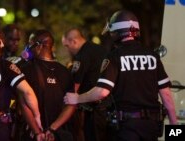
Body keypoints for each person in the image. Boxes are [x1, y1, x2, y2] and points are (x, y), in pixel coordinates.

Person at [64, 10, 177, 141]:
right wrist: (175, 130)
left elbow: (101, 92)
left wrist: (77, 98)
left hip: (125, 129)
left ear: (115, 32)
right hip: (150, 128)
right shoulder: (152, 56)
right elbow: (166, 96)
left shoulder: (114, 57)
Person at [17, 29, 76, 141]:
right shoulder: (65, 71)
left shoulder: (25, 69)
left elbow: (23, 104)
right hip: (58, 133)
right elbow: (71, 104)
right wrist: (53, 129)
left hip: (33, 133)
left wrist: (37, 132)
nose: (28, 47)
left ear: (38, 46)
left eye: (30, 44)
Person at [62, 28, 108, 141]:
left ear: (74, 41)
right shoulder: (101, 50)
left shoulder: (82, 56)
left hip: (94, 109)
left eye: (67, 46)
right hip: (109, 107)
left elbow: (74, 87)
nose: (68, 49)